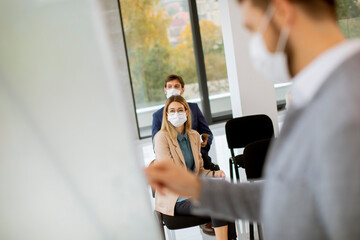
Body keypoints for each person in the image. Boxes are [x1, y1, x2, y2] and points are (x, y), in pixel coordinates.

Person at [146, 0, 360, 240]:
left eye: (253, 28)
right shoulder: (310, 95)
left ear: (282, 12)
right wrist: (195, 187)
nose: (254, 44)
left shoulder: (348, 99)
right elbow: (283, 196)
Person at [153, 95, 236, 240]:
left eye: (180, 110)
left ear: (186, 112)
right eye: (171, 111)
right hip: (176, 197)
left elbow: (199, 171)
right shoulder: (161, 138)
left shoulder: (194, 136)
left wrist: (214, 174)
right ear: (166, 115)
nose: (176, 113)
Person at [152, 74, 218, 170]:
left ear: (182, 90)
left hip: (197, 157)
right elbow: (157, 146)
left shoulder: (194, 108)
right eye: (169, 86)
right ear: (165, 90)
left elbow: (207, 133)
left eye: (176, 86)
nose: (173, 89)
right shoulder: (158, 115)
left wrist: (203, 144)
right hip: (174, 162)